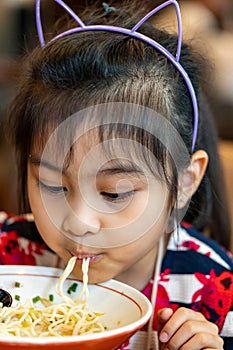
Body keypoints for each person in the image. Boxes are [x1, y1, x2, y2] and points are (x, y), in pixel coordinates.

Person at [0, 0, 232, 349]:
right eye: (52, 185)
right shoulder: (10, 257)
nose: (79, 222)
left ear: (184, 183)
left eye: (113, 193)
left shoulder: (213, 292)